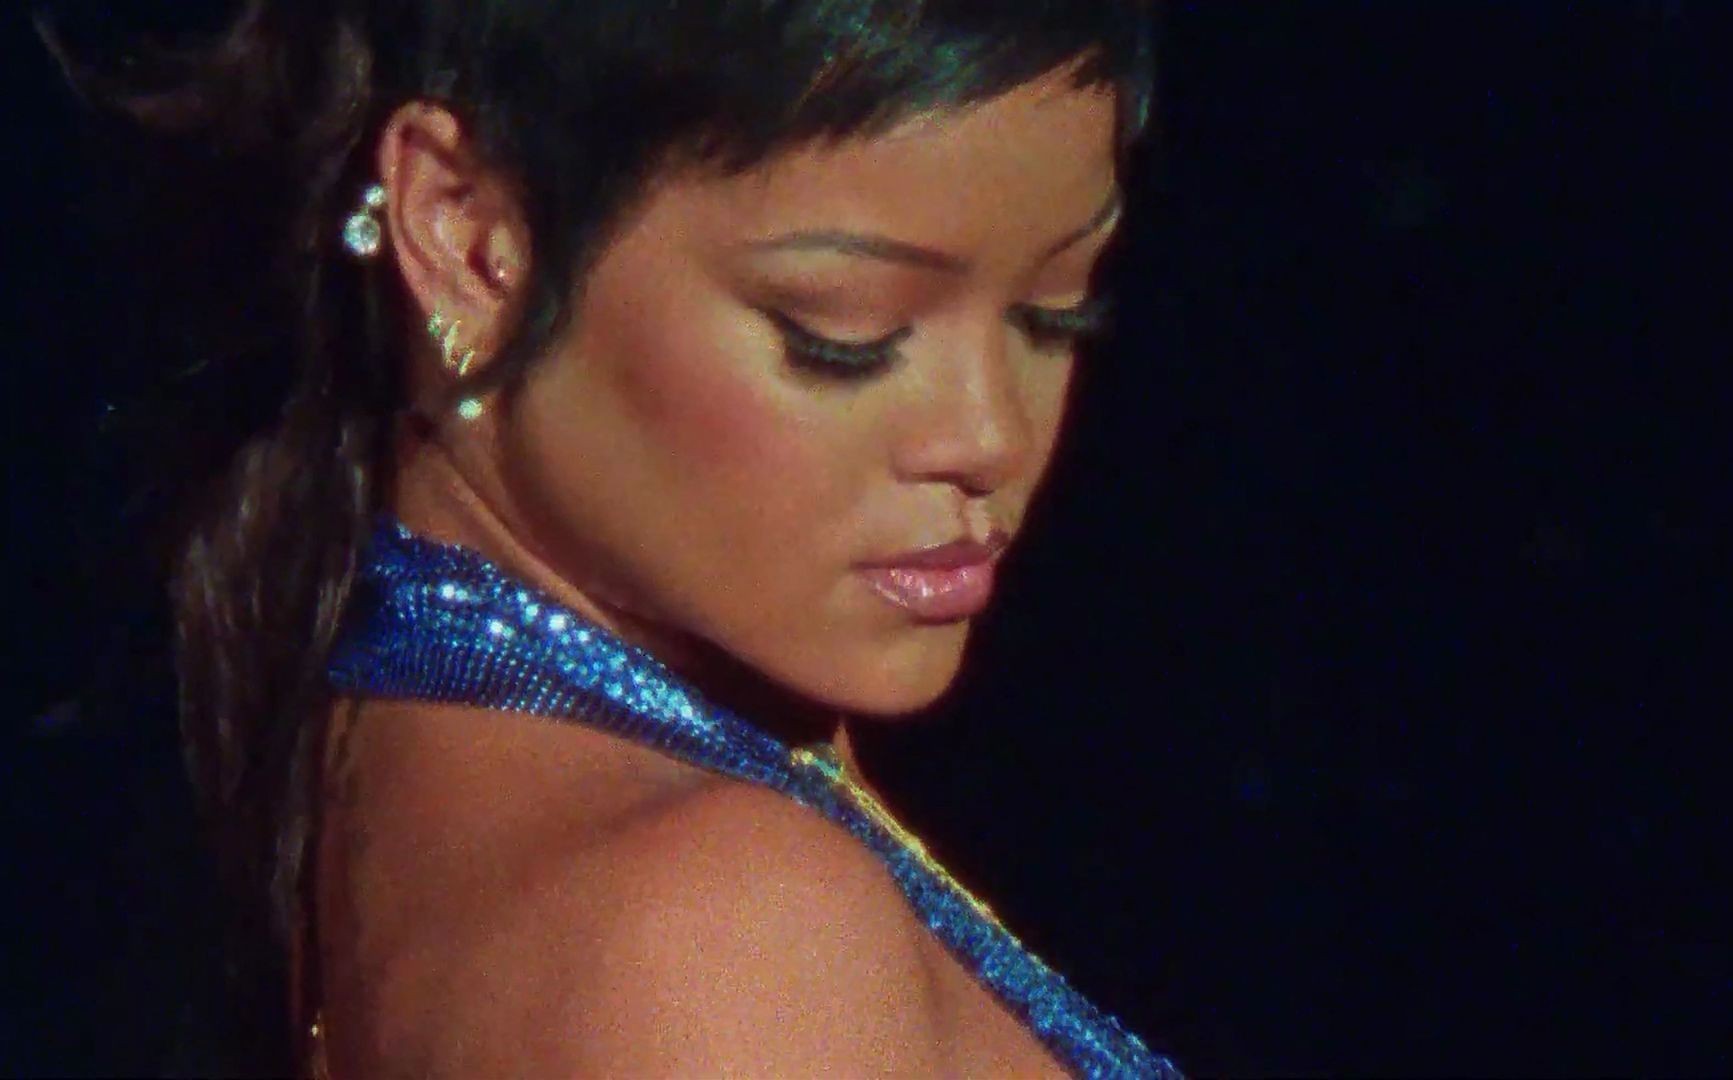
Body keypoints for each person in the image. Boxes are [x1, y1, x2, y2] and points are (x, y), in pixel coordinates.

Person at [42, 0, 1177, 1074]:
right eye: (844, 335)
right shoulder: (718, 936)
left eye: (1055, 311)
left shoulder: (391, 742)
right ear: (468, 236)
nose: (989, 435)